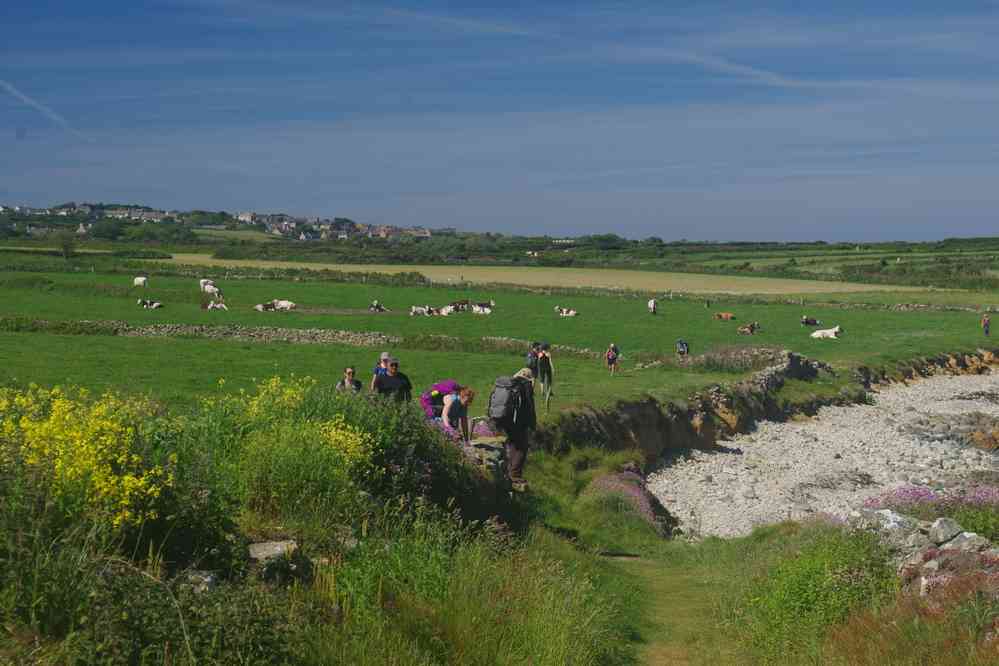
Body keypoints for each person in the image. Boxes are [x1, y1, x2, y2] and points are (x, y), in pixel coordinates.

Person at [491, 368, 537, 492]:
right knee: (522, 447)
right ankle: (515, 475)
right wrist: (532, 424)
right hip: (518, 422)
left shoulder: (507, 384)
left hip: (504, 419)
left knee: (512, 444)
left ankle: (509, 472)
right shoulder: (525, 385)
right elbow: (529, 406)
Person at [536, 342, 554, 411]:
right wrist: (552, 368)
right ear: (546, 348)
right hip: (547, 368)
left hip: (541, 368)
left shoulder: (540, 353)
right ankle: (549, 391)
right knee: (549, 380)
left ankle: (542, 392)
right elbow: (550, 361)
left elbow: (538, 361)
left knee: (542, 379)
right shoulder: (548, 354)